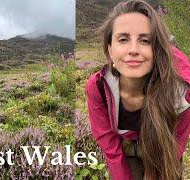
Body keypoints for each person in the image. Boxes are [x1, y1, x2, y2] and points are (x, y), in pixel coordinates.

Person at [85, 0, 190, 180]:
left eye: (145, 40)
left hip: (164, 143)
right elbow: (110, 145)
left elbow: (174, 145)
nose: (133, 50)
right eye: (123, 39)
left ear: (157, 49)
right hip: (129, 143)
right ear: (110, 50)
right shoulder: (98, 87)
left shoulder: (182, 90)